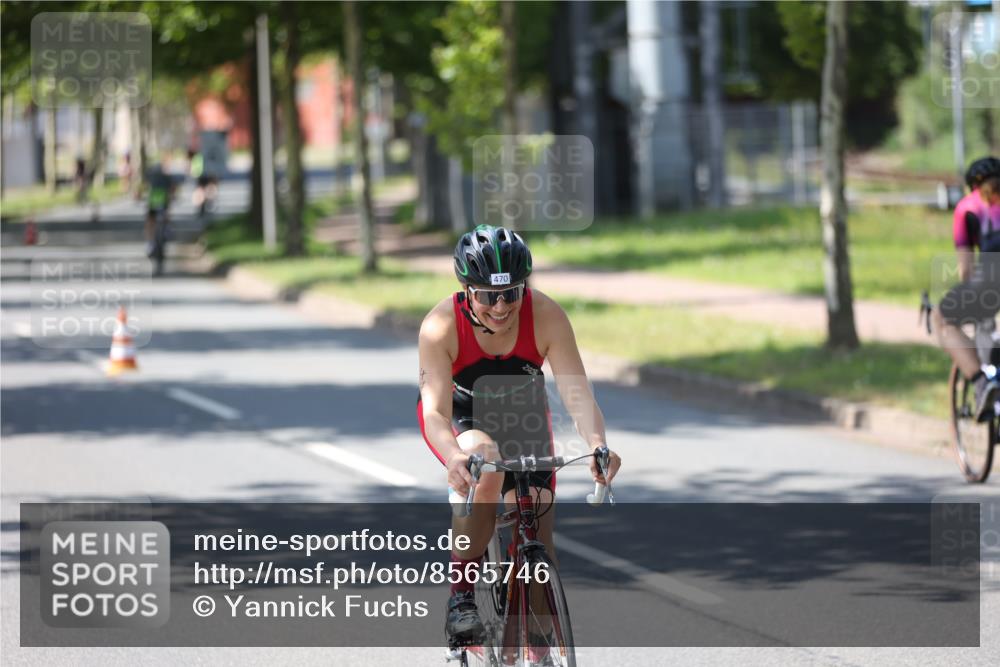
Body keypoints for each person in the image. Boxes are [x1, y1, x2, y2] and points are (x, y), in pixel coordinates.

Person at [416, 224, 622, 646]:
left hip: (522, 415)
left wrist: (598, 445)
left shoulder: (545, 315)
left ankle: (535, 647)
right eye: (488, 296)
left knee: (540, 534)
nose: (501, 306)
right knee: (484, 461)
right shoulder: (440, 326)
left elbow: (576, 392)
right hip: (462, 418)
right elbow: (434, 411)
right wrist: (454, 456)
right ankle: (462, 600)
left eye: (511, 292)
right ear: (467, 290)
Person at [933, 156, 1000, 421]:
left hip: (991, 280)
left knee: (942, 318)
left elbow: (966, 268)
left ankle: (981, 384)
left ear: (973, 185)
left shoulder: (967, 207)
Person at [144, 158, 175, 258]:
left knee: (150, 221)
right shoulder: (167, 178)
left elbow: (143, 189)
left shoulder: (150, 178)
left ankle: (150, 243)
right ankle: (167, 230)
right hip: (164, 202)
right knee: (166, 214)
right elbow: (172, 189)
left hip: (153, 203)